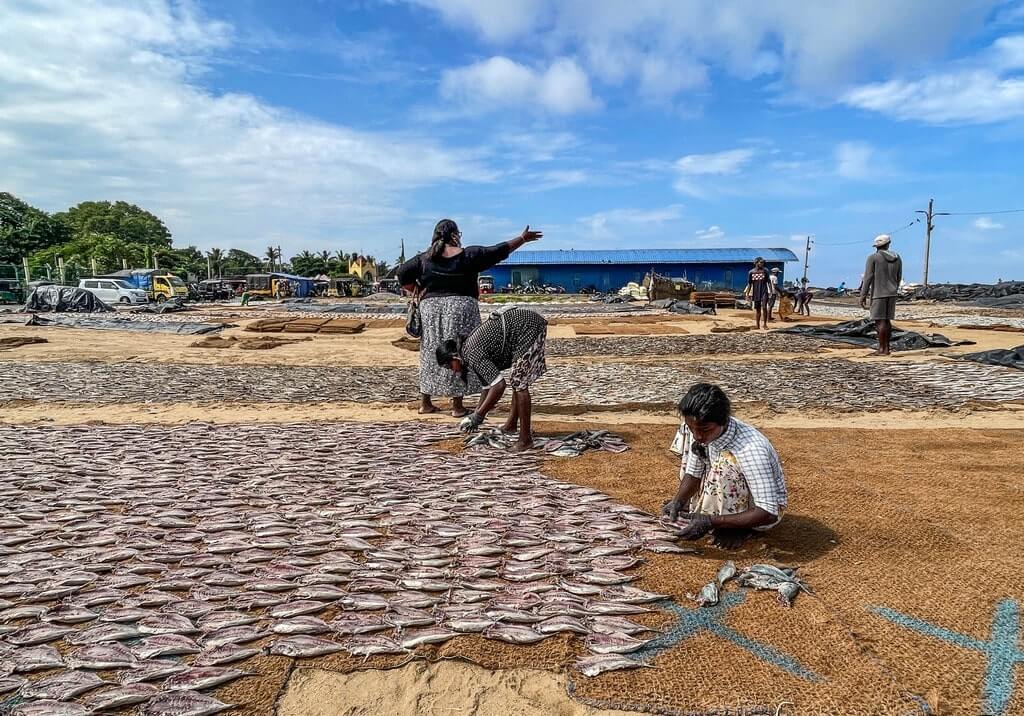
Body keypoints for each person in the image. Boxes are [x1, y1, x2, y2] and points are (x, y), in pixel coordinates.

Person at [398, 220, 542, 417]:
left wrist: (418, 291)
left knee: (430, 353)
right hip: (461, 310)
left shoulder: (423, 259)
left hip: (431, 310)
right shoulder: (469, 255)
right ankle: (457, 406)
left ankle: (426, 403)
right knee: (460, 352)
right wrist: (522, 239)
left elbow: (402, 274)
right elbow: (498, 251)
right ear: (455, 235)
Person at [662, 383, 787, 550]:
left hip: (760, 512)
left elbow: (768, 512)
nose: (698, 435)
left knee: (726, 464)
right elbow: (693, 472)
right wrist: (679, 501)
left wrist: (712, 522)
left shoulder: (751, 449)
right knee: (688, 437)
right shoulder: (698, 429)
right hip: (727, 488)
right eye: (693, 429)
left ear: (723, 421)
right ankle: (709, 514)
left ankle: (736, 527)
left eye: (705, 430)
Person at [436, 307, 548, 452]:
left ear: (454, 357)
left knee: (519, 384)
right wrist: (474, 416)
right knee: (517, 381)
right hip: (522, 326)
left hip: (527, 328)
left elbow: (499, 386)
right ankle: (511, 426)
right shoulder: (467, 353)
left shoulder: (471, 353)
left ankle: (525, 439)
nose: (453, 371)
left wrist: (478, 416)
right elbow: (487, 388)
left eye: (449, 366)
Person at [860, 234, 903, 356]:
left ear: (876, 246)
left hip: (878, 293)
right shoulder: (898, 257)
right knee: (887, 321)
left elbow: (868, 277)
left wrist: (863, 295)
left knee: (880, 322)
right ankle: (887, 349)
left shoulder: (873, 258)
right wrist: (894, 288)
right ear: (888, 244)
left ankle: (881, 349)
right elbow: (899, 277)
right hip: (892, 293)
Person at [745, 257, 773, 330]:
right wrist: (747, 294)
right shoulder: (751, 272)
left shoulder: (765, 271)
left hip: (764, 291)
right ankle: (757, 325)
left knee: (764, 307)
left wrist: (771, 292)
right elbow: (749, 284)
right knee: (758, 309)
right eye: (761, 262)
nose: (762, 264)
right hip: (756, 292)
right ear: (756, 263)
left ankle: (765, 324)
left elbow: (769, 282)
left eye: (763, 263)